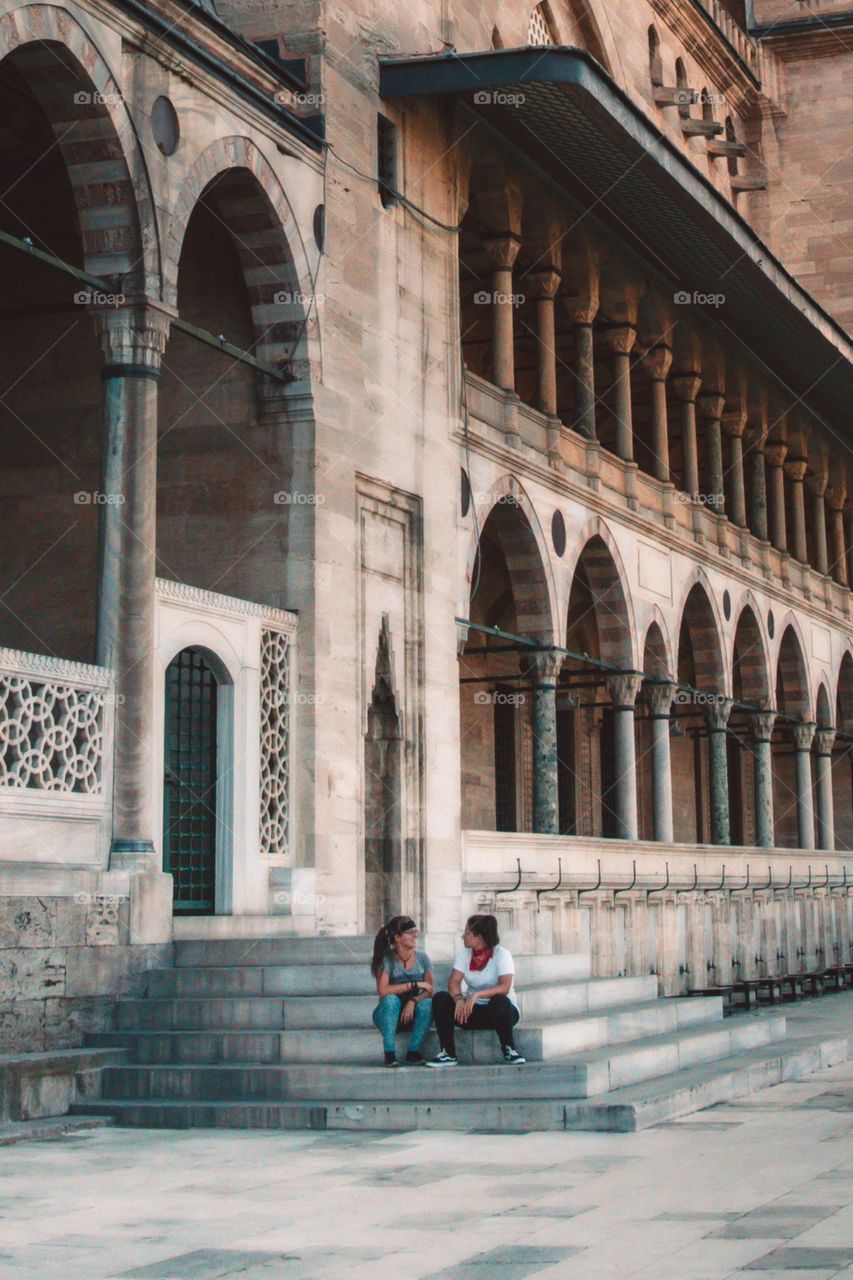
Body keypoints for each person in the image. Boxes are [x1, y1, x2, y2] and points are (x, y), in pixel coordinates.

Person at [427, 914, 525, 1067]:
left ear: (479, 936)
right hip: (471, 1011)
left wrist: (478, 994)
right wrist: (459, 998)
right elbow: (453, 982)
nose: (462, 936)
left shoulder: (502, 955)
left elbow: (504, 987)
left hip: (501, 1013)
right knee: (441, 998)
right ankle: (448, 1053)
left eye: (466, 932)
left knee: (498, 1000)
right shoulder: (464, 955)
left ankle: (510, 1049)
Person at [370, 916, 434, 1067]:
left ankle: (413, 1052)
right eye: (410, 932)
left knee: (428, 1004)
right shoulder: (387, 960)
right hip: (389, 1016)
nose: (415, 935)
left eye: (415, 931)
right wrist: (414, 984)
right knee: (391, 999)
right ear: (398, 938)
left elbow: (429, 989)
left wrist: (413, 1001)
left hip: (412, 1016)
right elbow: (383, 990)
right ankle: (389, 1053)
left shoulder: (423, 958)